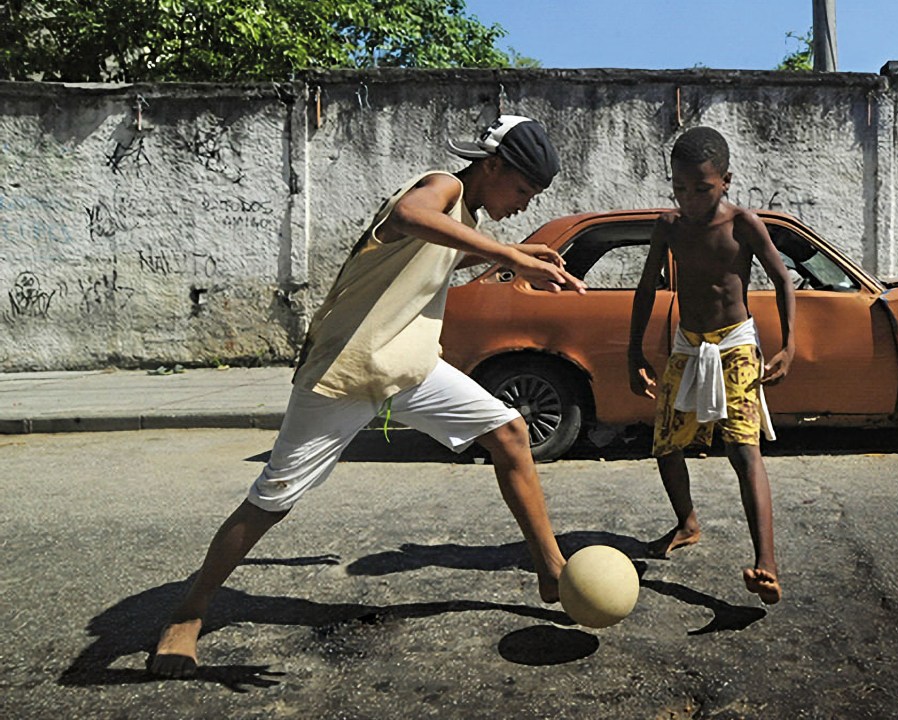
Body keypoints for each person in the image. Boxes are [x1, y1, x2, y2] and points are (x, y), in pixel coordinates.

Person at [149, 115, 587, 678]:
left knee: (509, 432)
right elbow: (410, 216)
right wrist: (509, 255)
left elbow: (437, 253)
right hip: (348, 368)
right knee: (272, 499)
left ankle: (551, 570)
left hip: (409, 367)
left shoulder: (464, 217)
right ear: (494, 166)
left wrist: (520, 255)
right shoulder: (443, 187)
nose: (524, 205)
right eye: (523, 190)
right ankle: (188, 612)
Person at [627, 126, 795, 605]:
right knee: (665, 443)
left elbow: (782, 280)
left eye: (701, 189)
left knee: (743, 451)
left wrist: (788, 346)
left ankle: (767, 563)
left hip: (736, 343)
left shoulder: (743, 223)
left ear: (725, 181)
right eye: (680, 189)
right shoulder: (669, 226)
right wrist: (633, 351)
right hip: (688, 342)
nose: (690, 199)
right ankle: (687, 523)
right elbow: (645, 289)